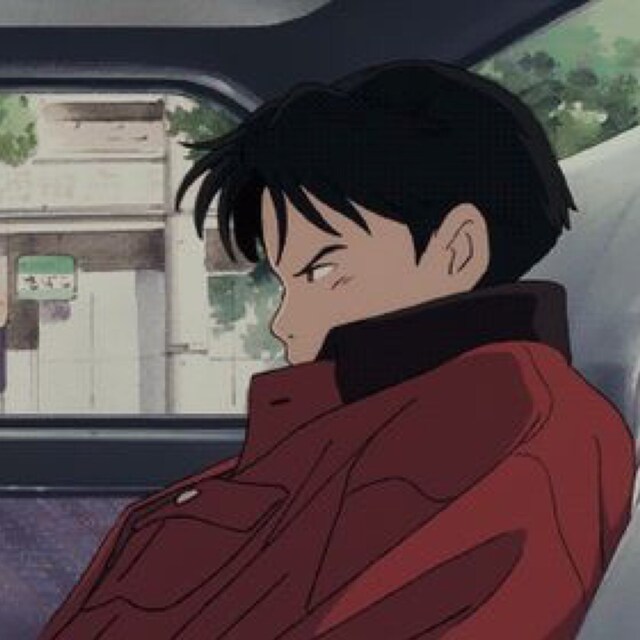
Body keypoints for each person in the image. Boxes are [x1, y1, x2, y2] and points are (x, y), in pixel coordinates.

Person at [40, 60, 635, 639]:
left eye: (323, 272)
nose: (284, 323)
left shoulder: (501, 438)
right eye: (286, 281)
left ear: (457, 249)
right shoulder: (395, 425)